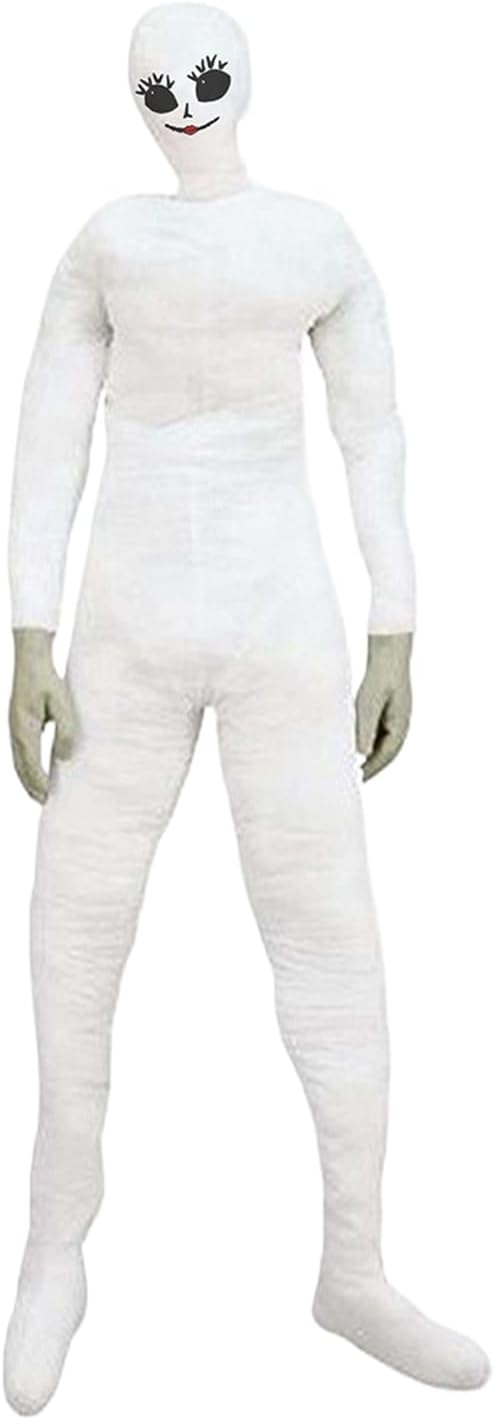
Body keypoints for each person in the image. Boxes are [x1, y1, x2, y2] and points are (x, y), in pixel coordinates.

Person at [4, 4, 489, 1411]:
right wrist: (28, 635)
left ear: (244, 84)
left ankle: (354, 1268)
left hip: (282, 630)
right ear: (131, 99)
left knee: (331, 939)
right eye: (159, 85)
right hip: (126, 639)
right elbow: (47, 434)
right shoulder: (108, 243)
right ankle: (53, 1251)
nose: (184, 102)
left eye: (205, 78)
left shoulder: (313, 241)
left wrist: (395, 627)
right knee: (74, 934)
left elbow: (373, 432)